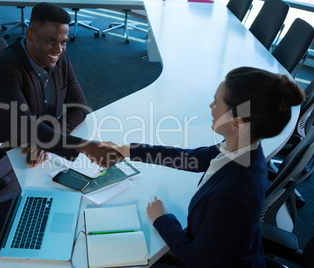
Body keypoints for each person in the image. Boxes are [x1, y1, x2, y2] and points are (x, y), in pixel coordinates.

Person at [102, 67, 305, 267]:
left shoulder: (235, 192)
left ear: (237, 123)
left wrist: (163, 219)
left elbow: (196, 259)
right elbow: (188, 157)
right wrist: (127, 150)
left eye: (216, 103)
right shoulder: (242, 148)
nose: (210, 106)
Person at [0, 3, 122, 168]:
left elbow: (80, 107)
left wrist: (49, 138)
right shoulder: (5, 68)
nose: (59, 49)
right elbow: (23, 126)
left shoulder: (61, 59)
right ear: (30, 35)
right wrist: (84, 146)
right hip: (6, 152)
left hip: (41, 152)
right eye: (51, 41)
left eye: (63, 42)